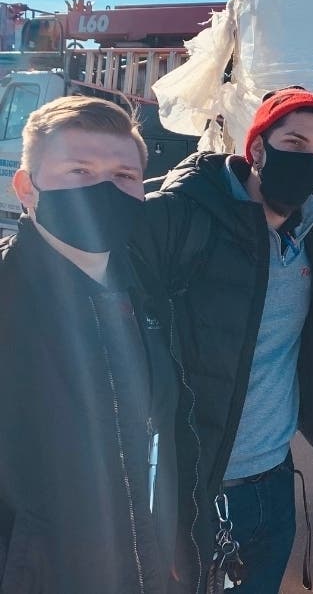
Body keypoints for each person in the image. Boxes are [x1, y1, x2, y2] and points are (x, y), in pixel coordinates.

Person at [131, 87, 313, 593]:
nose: (308, 160)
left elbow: (312, 262)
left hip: (276, 482)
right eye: (294, 142)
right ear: (256, 148)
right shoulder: (183, 216)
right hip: (194, 490)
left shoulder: (309, 226)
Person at [0, 96, 192, 593]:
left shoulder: (141, 290)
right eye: (79, 170)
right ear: (27, 188)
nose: (104, 188)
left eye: (124, 176)